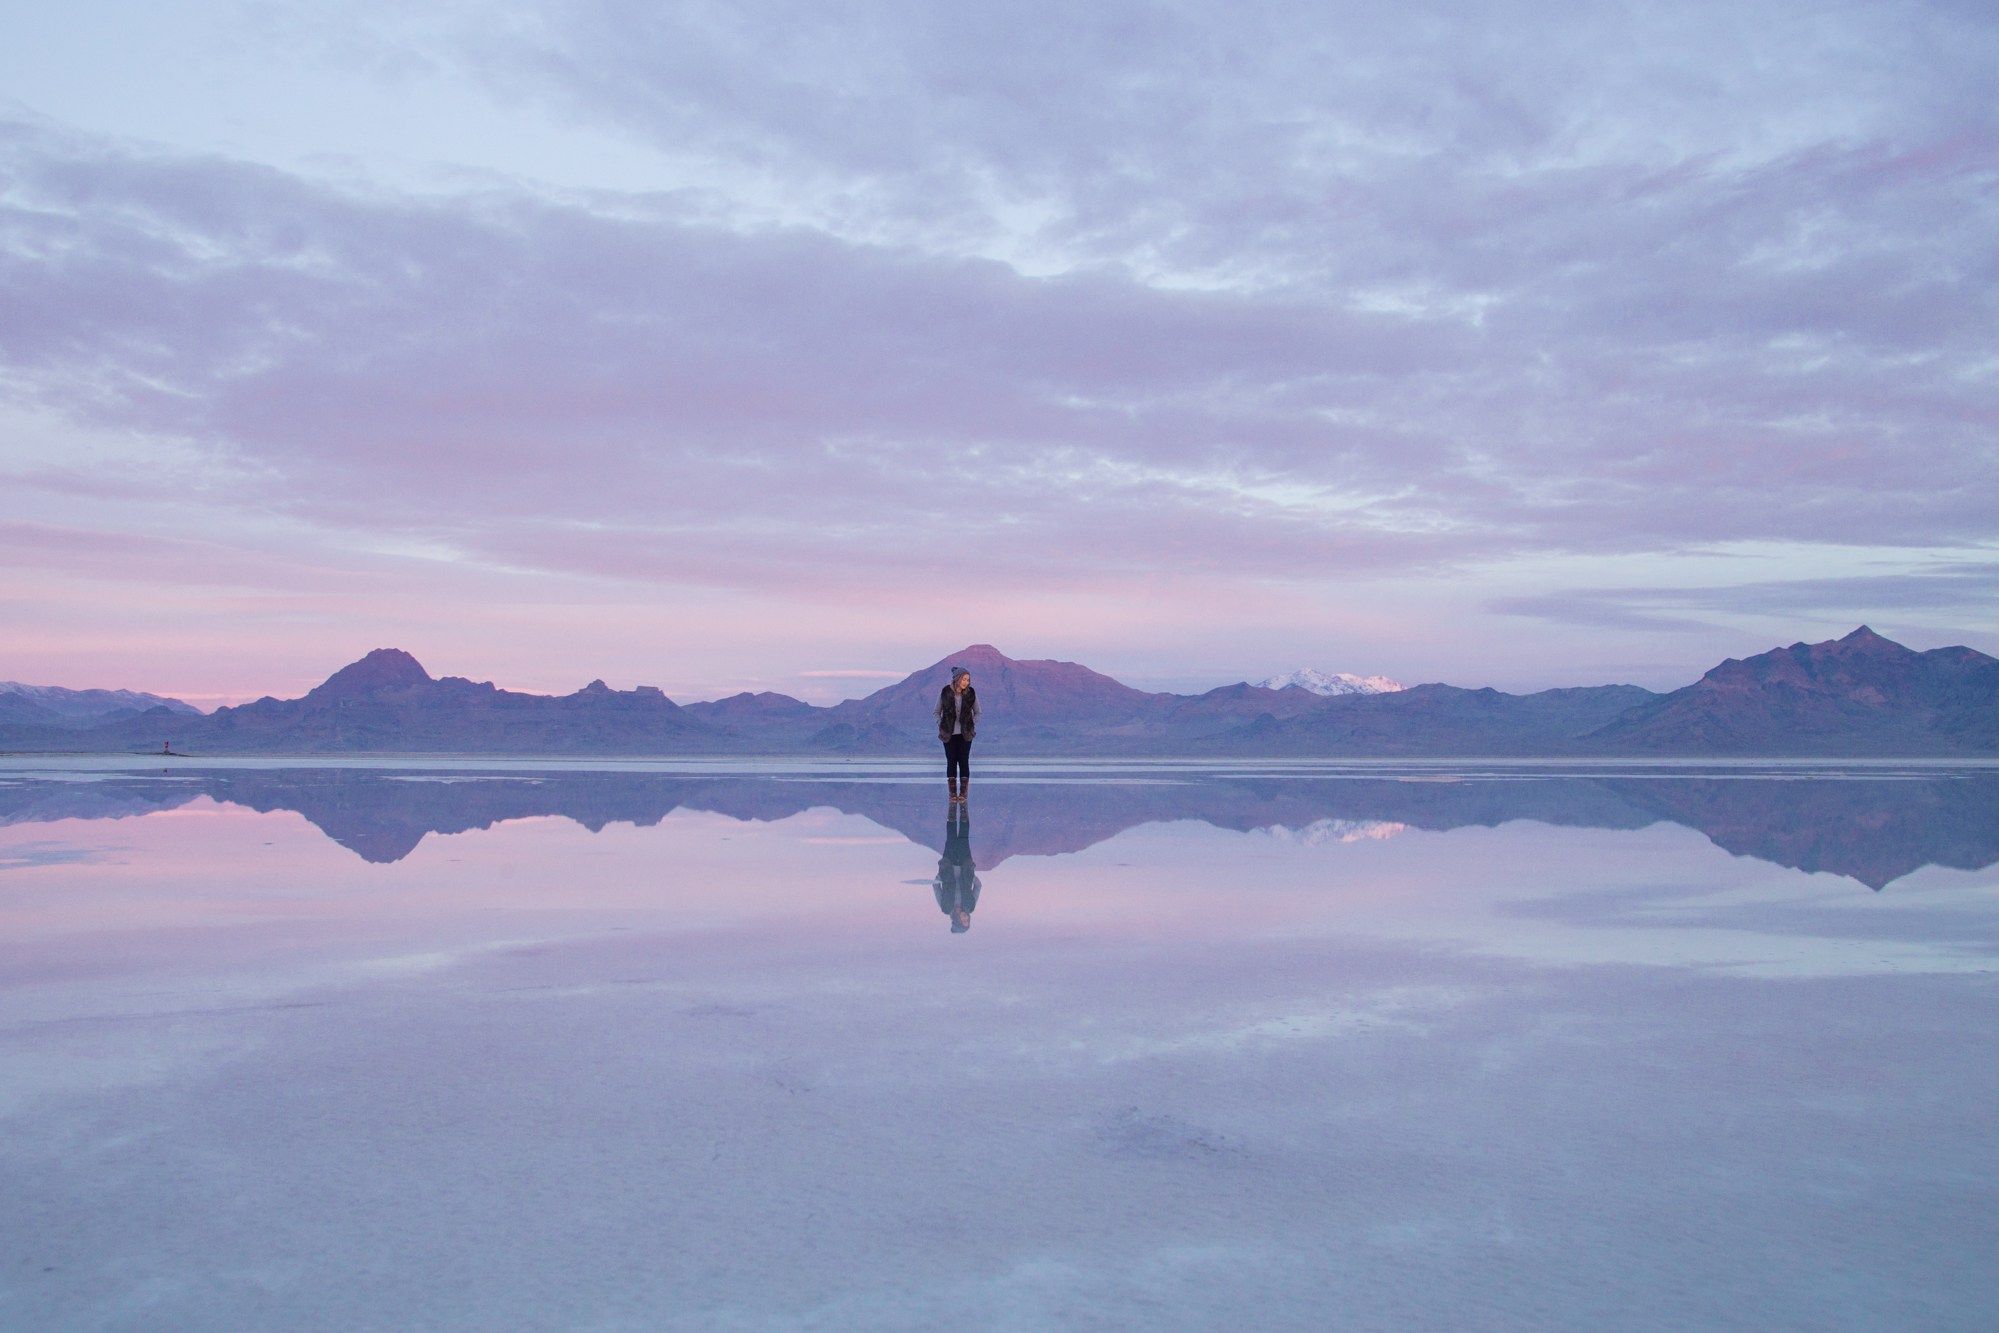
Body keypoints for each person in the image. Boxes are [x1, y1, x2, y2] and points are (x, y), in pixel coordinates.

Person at [932, 801, 981, 932]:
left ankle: (953, 806)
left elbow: (936, 886)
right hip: (965, 864)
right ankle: (963, 806)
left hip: (949, 863)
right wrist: (971, 875)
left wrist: (940, 874)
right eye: (967, 920)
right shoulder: (970, 906)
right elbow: (978, 886)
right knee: (964, 836)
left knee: (951, 836)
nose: (966, 918)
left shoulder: (946, 908)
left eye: (964, 921)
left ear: (957, 921)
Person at [935, 666, 977, 801]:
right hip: (949, 734)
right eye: (964, 679)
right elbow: (936, 712)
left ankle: (963, 794)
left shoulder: (971, 693)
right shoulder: (945, 692)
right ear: (957, 679)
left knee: (964, 761)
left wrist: (971, 724)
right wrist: (941, 724)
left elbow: (978, 712)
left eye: (968, 680)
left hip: (965, 734)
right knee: (951, 761)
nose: (966, 682)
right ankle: (953, 794)